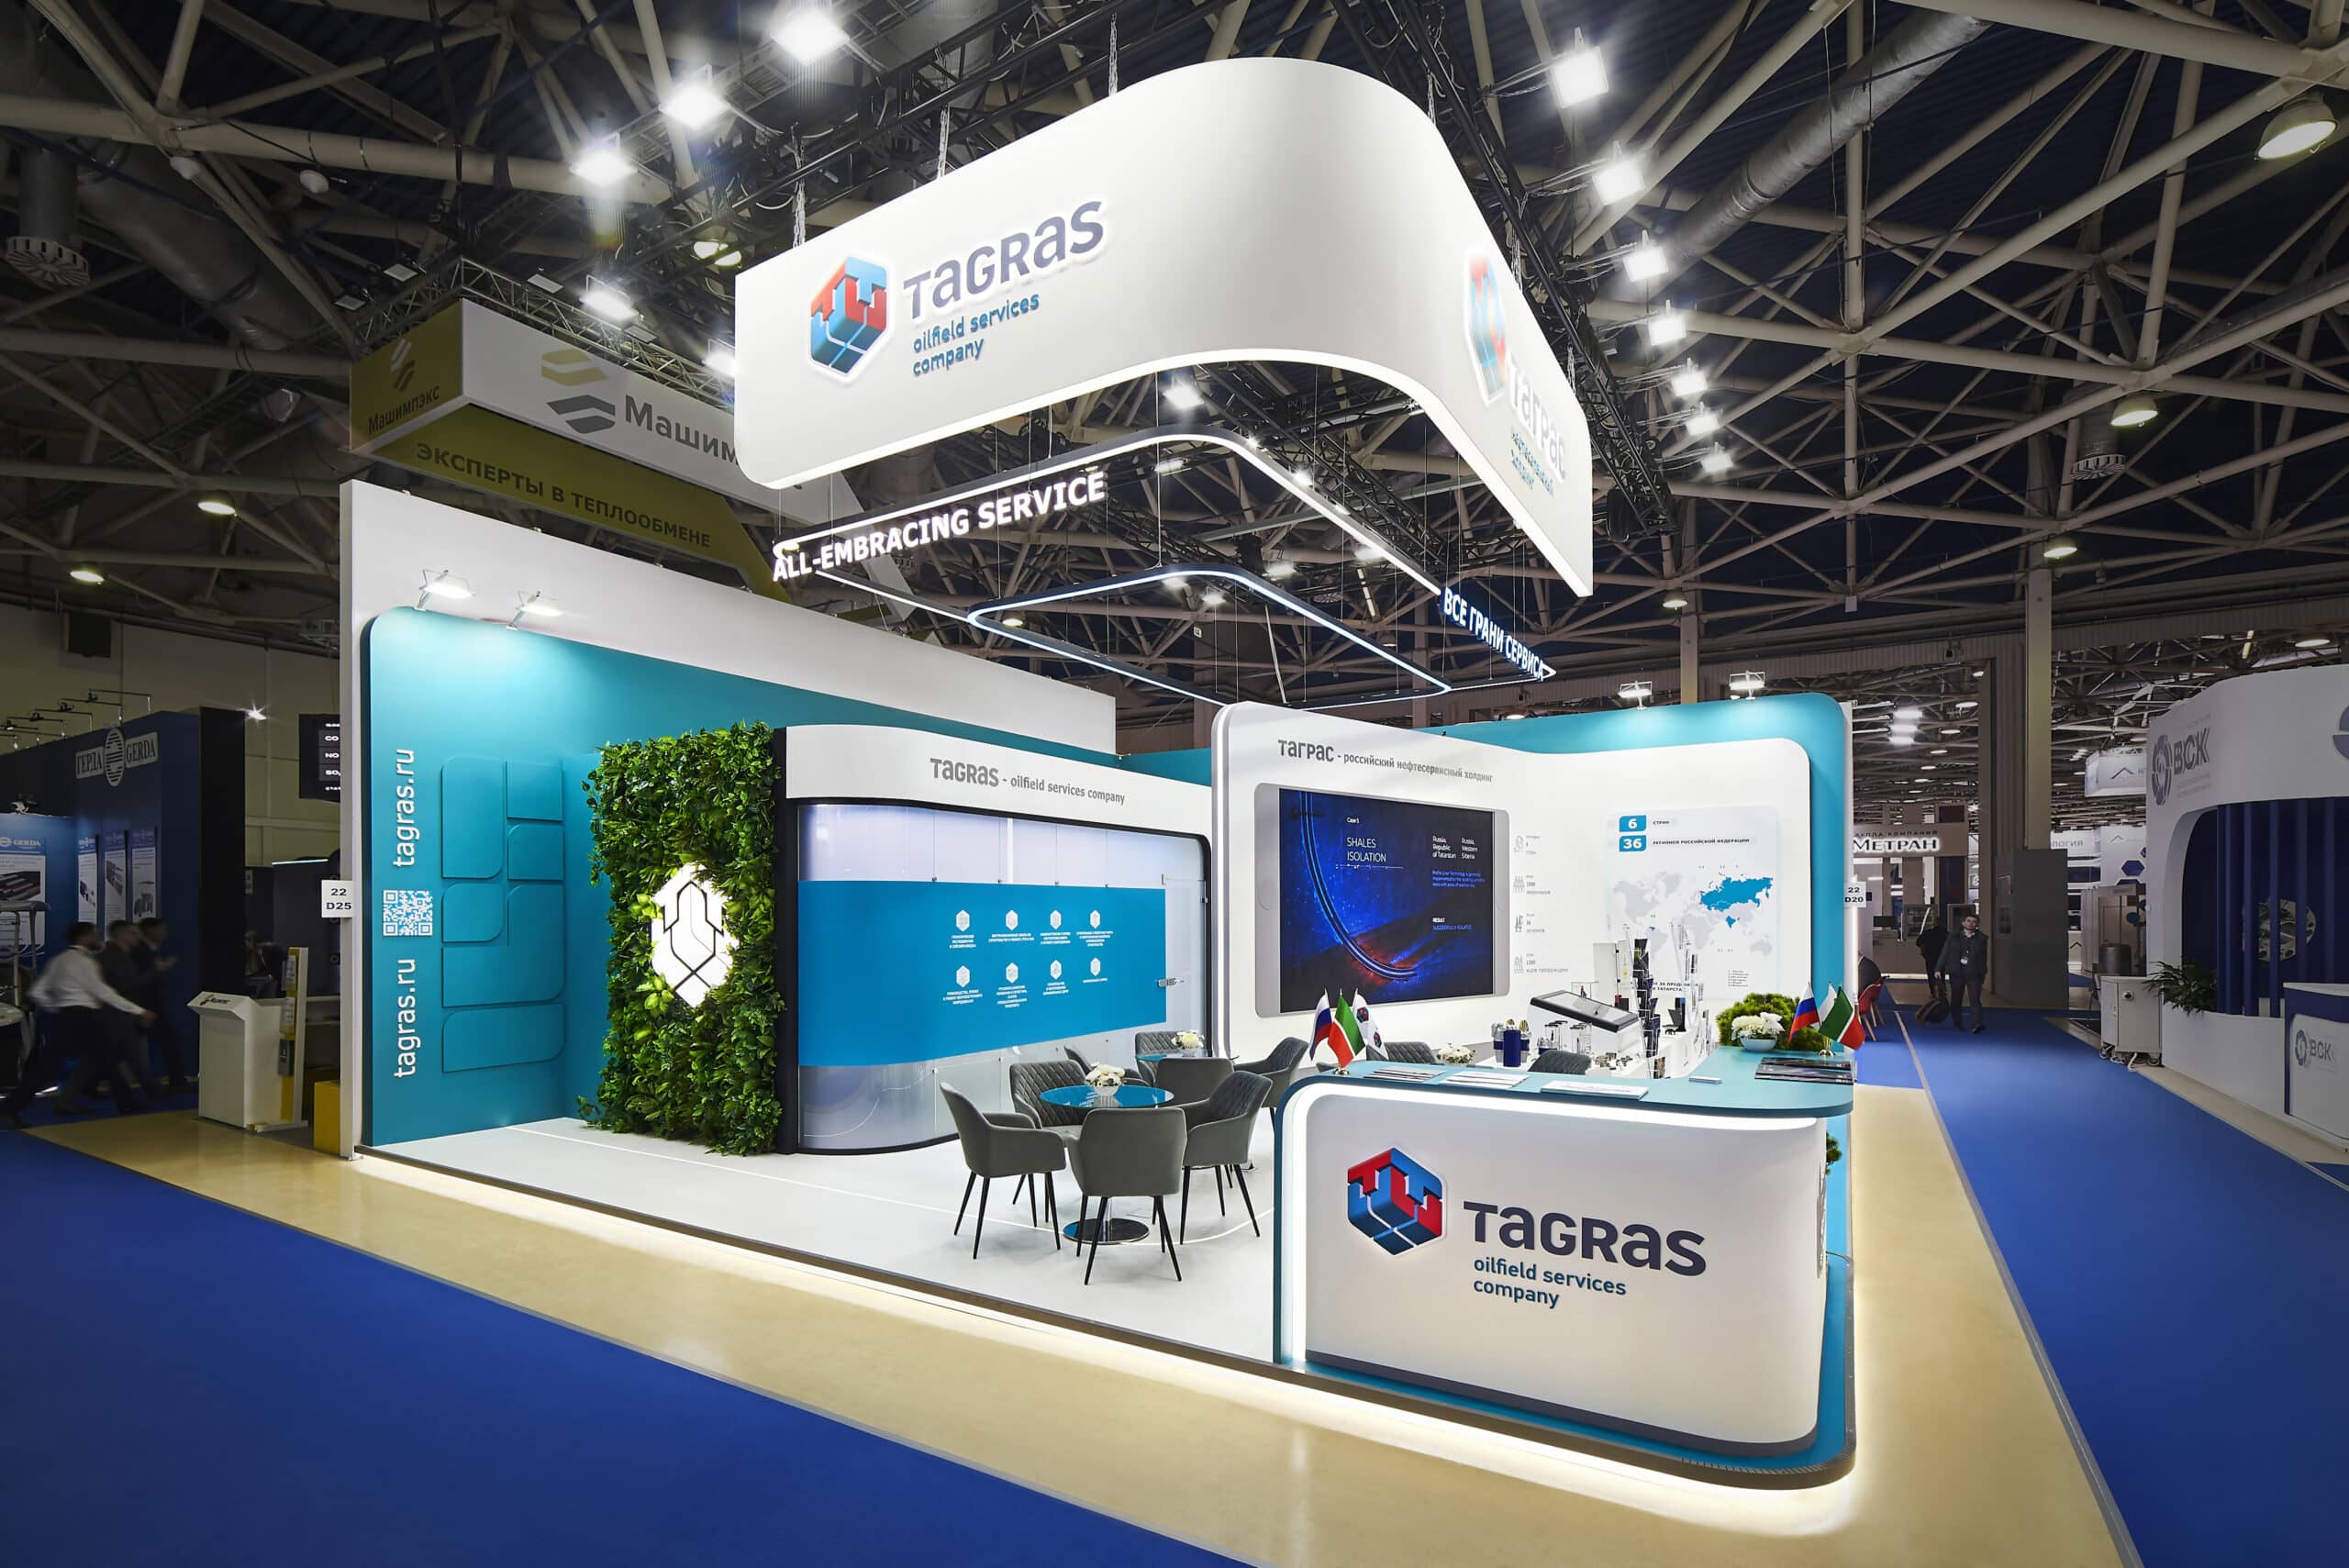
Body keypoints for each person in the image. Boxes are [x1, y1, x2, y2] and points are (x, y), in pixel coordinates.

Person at [2, 923, 153, 1128]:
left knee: (98, 1060)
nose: (98, 938)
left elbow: (37, 992)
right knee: (101, 1060)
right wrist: (139, 1011)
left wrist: (59, 1008)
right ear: (84, 938)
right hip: (84, 1018)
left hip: (69, 1017)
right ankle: (8, 1110)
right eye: (94, 934)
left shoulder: (59, 960)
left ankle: (127, 1103)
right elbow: (103, 993)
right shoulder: (84, 962)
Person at [135, 917, 186, 1093]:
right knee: (168, 1042)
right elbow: (139, 981)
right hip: (147, 1007)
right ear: (151, 930)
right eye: (162, 929)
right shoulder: (140, 952)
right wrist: (160, 969)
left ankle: (176, 1081)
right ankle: (175, 1082)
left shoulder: (150, 951)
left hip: (151, 1006)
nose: (165, 933)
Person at [1940, 911, 1989, 1033]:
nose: (1971, 923)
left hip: (1974, 973)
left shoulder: (1982, 939)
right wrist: (1938, 968)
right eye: (1968, 921)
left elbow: (1983, 957)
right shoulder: (1953, 937)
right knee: (1956, 999)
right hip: (1957, 972)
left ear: (1977, 924)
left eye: (1974, 922)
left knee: (1975, 999)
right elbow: (1945, 952)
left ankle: (1977, 1023)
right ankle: (1957, 1023)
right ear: (1963, 923)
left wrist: (1983, 971)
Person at [1917, 910, 1949, 1004]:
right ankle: (1941, 990)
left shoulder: (1928, 933)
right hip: (1941, 958)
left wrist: (1924, 949)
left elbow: (1918, 942)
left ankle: (1933, 991)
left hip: (1930, 957)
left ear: (1934, 923)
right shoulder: (1946, 934)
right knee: (1941, 974)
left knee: (1931, 974)